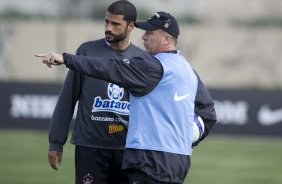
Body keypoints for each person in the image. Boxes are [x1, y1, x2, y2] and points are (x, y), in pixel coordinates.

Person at [36, 11, 217, 184]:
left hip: (150, 161)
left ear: (167, 39)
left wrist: (66, 59)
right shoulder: (188, 70)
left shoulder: (151, 65)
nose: (144, 37)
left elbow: (110, 67)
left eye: (150, 33)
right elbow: (208, 113)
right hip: (178, 162)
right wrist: (190, 136)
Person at [45, 1, 144, 184]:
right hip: (89, 148)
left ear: (130, 26)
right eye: (106, 22)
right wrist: (56, 141)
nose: (108, 28)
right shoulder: (86, 51)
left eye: (115, 24)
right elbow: (68, 98)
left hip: (129, 150)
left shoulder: (142, 59)